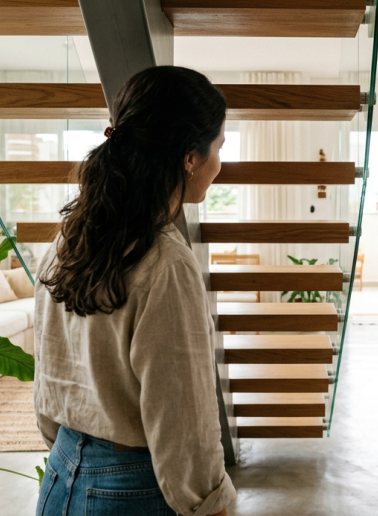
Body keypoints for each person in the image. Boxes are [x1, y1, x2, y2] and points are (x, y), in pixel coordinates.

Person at [33, 66, 233, 516]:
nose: (220, 162)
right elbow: (184, 418)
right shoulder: (165, 262)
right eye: (219, 146)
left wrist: (66, 450)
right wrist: (209, 504)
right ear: (189, 157)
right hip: (133, 491)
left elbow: (48, 364)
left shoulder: (68, 237)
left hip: (61, 475)